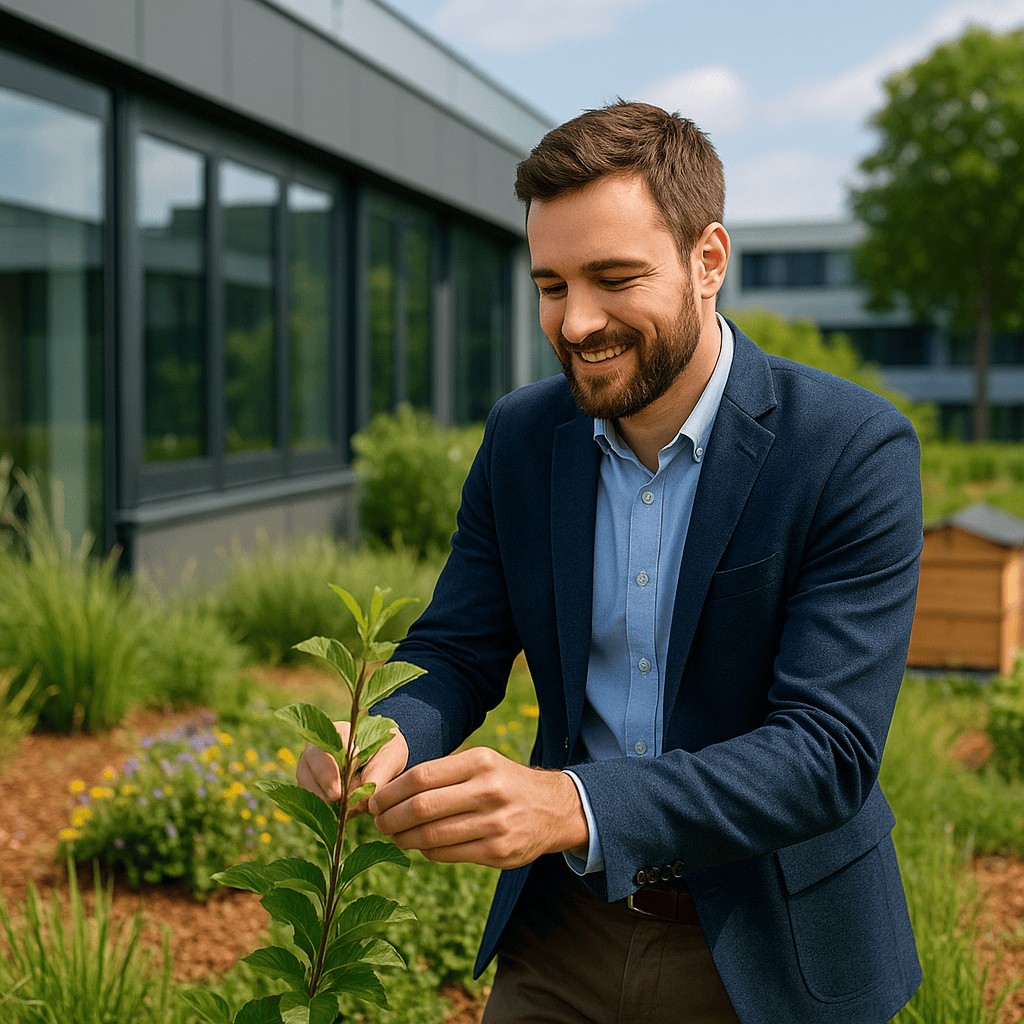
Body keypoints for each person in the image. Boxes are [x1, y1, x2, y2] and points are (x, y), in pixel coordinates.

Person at [298, 101, 923, 1024]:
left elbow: (826, 754)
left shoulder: (851, 448)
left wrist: (575, 804)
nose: (576, 322)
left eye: (613, 277)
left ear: (708, 262)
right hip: (564, 934)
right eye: (551, 285)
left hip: (771, 948)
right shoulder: (521, 435)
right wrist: (388, 731)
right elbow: (459, 647)